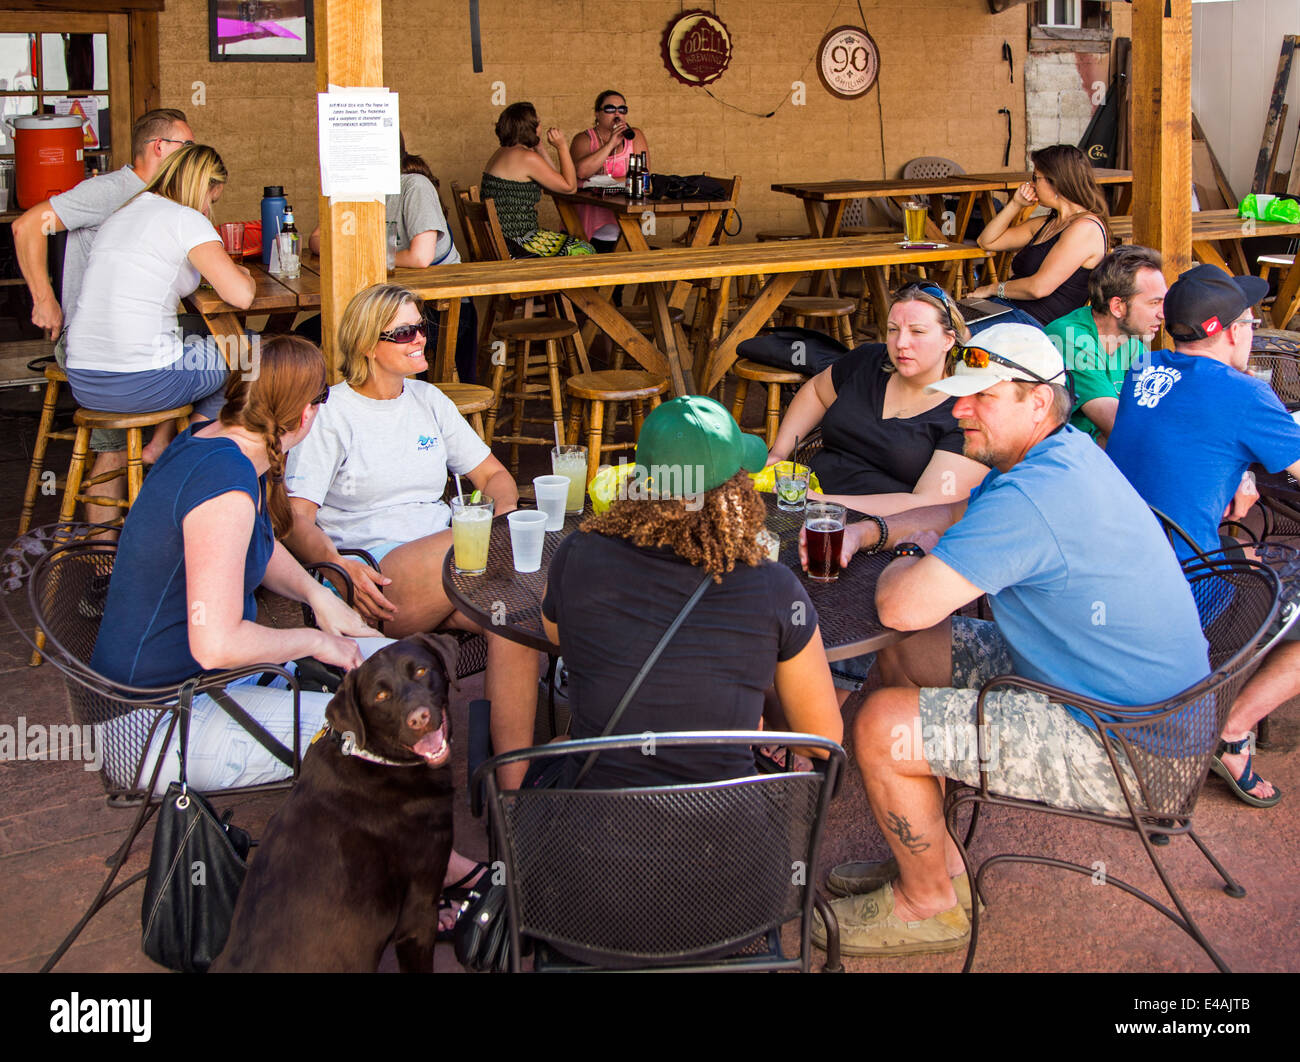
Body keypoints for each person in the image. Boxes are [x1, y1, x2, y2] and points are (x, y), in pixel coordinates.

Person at [808, 323, 1210, 957]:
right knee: (903, 650)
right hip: (1113, 695)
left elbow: (900, 603)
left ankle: (929, 907)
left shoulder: (1034, 492)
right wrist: (876, 531)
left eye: (982, 396)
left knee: (884, 721)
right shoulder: (1060, 451)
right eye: (961, 393)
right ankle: (935, 865)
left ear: (1038, 401)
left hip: (1131, 748)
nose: (959, 408)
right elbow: (959, 513)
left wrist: (898, 561)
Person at [91, 335, 384, 796]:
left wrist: (318, 596)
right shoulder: (225, 483)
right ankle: (438, 867)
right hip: (151, 723)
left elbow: (258, 547)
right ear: (307, 414)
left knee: (390, 670)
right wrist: (316, 640)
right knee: (382, 730)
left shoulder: (208, 439)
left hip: (190, 688)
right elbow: (216, 644)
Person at [283, 283, 541, 792]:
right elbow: (295, 519)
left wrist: (503, 518)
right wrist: (342, 564)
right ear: (366, 344)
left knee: (517, 621)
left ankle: (512, 795)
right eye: (403, 331)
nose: (420, 337)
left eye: (422, 326)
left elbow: (495, 478)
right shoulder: (332, 411)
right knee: (475, 550)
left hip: (455, 569)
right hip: (375, 579)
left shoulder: (428, 400)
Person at [541, 395, 842, 789]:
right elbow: (824, 742)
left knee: (560, 745)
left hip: (592, 836)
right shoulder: (775, 588)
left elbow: (558, 637)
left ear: (639, 479)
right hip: (730, 842)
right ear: (737, 490)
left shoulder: (576, 554)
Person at [1106, 265, 1300, 808]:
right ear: (1234, 330)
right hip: (1184, 596)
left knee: (1247, 546)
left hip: (1123, 573)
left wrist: (1238, 466)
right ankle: (1230, 731)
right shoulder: (1244, 395)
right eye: (1254, 321)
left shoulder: (1143, 369)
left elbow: (1185, 438)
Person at [13, 107, 195, 521]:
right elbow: (28, 225)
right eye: (188, 147)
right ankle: (100, 566)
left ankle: (165, 468)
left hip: (131, 338)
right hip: (97, 344)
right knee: (114, 452)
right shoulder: (116, 188)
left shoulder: (158, 197)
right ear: (160, 147)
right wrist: (44, 298)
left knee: (215, 342)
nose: (192, 155)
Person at [64, 144, 255, 460]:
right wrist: (243, 273)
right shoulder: (186, 218)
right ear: (203, 187)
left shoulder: (122, 213)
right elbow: (241, 296)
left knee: (193, 334)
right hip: (144, 382)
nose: (208, 209)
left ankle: (162, 441)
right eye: (211, 199)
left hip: (84, 380)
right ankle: (187, 451)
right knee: (247, 350)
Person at [766, 283, 989, 516]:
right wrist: (780, 452)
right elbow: (816, 393)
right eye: (893, 330)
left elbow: (930, 505)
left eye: (917, 331)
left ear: (948, 340)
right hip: (805, 501)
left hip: (876, 531)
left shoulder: (965, 412)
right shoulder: (869, 361)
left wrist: (823, 502)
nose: (901, 343)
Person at [305, 133, 478, 382]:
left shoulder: (414, 186)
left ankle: (382, 410)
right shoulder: (357, 190)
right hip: (384, 306)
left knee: (355, 342)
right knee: (308, 335)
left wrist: (366, 252)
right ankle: (339, 413)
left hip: (439, 311)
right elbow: (316, 240)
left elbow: (421, 257)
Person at [970, 144, 1110, 328]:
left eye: (1036, 178)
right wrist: (1016, 204)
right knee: (941, 319)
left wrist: (992, 288)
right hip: (1008, 309)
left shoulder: (1085, 229)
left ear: (1056, 181)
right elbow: (987, 241)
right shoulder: (1047, 223)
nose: (1032, 184)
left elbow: (1039, 288)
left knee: (949, 332)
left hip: (1037, 324)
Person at [1044, 245, 1167, 443]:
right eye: (1154, 303)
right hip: (1059, 461)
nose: (1163, 313)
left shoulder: (1133, 343)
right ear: (1117, 307)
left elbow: (1149, 410)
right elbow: (1116, 425)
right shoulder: (1069, 337)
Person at [482, 101, 595, 257]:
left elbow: (556, 181)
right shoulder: (526, 158)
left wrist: (540, 147)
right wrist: (562, 146)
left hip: (500, 239)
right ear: (531, 127)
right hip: (518, 242)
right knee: (584, 249)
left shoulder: (503, 152)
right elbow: (569, 187)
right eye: (539, 122)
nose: (541, 125)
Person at [570, 90, 649, 251]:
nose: (617, 114)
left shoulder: (635, 136)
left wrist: (612, 181)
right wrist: (611, 144)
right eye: (610, 109)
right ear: (597, 114)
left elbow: (643, 179)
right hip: (588, 229)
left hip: (625, 228)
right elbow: (581, 173)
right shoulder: (583, 139)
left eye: (622, 109)